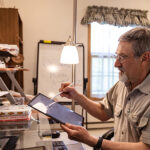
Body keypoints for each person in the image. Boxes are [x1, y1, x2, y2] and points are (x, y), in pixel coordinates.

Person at [59, 27, 150, 150]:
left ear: (145, 57)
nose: (116, 64)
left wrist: (93, 141)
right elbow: (104, 112)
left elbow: (145, 147)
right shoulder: (123, 83)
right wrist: (77, 96)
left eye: (122, 57)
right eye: (116, 56)